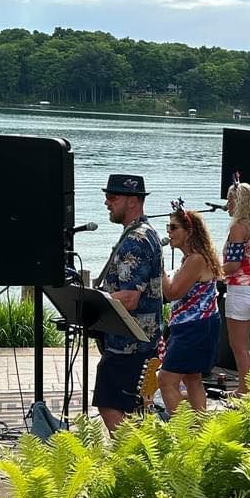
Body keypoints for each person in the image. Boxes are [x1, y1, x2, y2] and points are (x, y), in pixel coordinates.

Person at [92, 174, 163, 433]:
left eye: (112, 197)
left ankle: (130, 463)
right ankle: (140, 461)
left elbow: (130, 298)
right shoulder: (145, 233)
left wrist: (92, 302)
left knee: (109, 405)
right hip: (141, 340)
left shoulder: (135, 240)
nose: (106, 203)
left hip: (129, 344)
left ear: (133, 201)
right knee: (135, 411)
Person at [159, 206, 223, 413]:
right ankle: (199, 429)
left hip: (194, 328)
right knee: (192, 378)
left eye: (174, 227)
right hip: (200, 325)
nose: (169, 232)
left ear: (189, 231)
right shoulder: (192, 258)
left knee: (166, 380)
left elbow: (172, 293)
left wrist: (158, 267)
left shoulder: (196, 259)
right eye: (168, 227)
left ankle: (182, 432)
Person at [222, 182, 250, 395]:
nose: (227, 205)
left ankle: (244, 391)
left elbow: (232, 265)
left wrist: (211, 269)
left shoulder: (238, 227)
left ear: (239, 203)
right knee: (244, 346)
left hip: (241, 289)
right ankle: (248, 388)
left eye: (230, 201)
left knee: (238, 346)